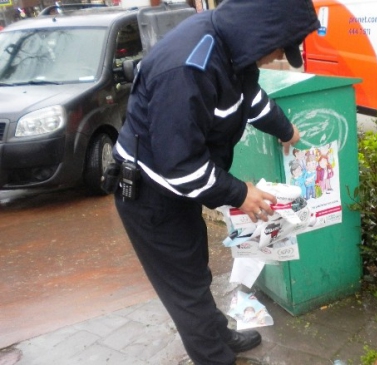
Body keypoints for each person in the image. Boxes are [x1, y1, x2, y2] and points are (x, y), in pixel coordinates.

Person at [111, 0, 319, 364]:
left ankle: (217, 333)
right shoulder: (187, 68)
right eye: (277, 48)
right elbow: (179, 167)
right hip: (150, 191)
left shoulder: (232, 49)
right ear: (262, 30)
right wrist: (240, 193)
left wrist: (284, 128)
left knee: (195, 267)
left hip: (177, 187)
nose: (274, 58)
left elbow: (248, 97)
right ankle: (214, 356)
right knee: (184, 286)